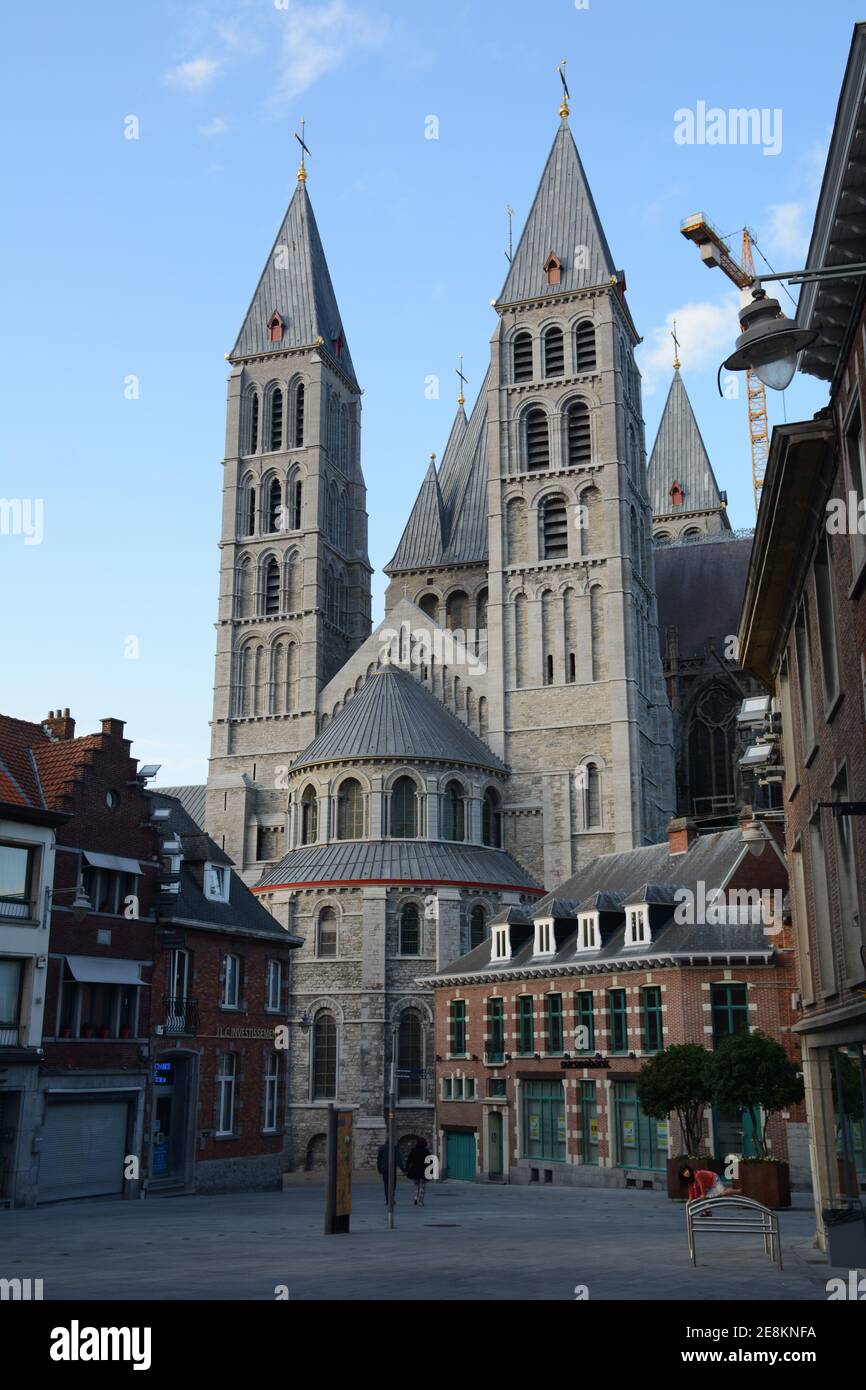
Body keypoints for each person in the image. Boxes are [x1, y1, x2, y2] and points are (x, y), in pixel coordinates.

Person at [405, 1137, 432, 1206]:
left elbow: (409, 1160)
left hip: (415, 1170)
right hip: (423, 1171)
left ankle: (415, 1198)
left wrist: (406, 1169)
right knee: (422, 1186)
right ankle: (420, 1200)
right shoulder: (426, 1151)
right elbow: (430, 1162)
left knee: (416, 1185)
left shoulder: (413, 1150)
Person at [377, 1140, 403, 1204]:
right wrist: (402, 1168)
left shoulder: (381, 1148)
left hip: (384, 1168)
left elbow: (379, 1159)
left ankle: (387, 1199)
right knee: (393, 1184)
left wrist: (379, 1169)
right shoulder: (394, 1147)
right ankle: (392, 1198)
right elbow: (398, 1159)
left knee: (386, 1184)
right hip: (392, 1168)